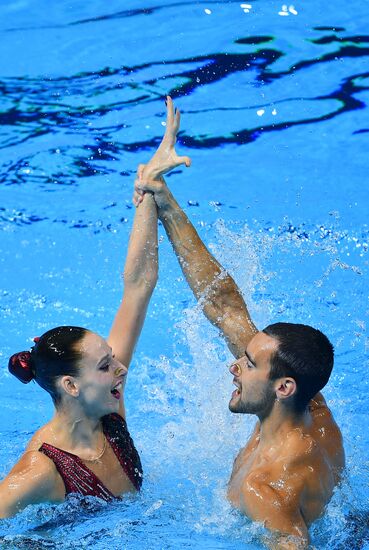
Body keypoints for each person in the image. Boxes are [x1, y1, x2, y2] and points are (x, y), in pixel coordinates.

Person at [133, 97, 345, 548]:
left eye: (248, 363)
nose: (234, 364)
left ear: (283, 386)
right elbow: (225, 305)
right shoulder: (311, 408)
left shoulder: (266, 487)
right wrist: (163, 198)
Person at [0, 102, 189, 518]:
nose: (120, 368)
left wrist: (148, 186)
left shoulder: (106, 406)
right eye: (105, 365)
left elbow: (138, 286)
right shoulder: (41, 468)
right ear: (71, 385)